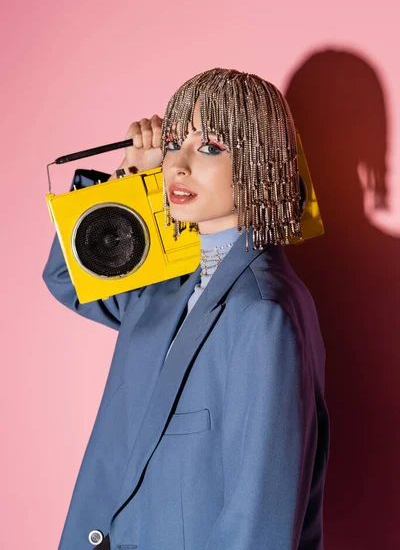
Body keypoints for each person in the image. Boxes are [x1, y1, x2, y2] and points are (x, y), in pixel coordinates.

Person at [43, 67, 330, 550]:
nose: (178, 165)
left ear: (262, 162)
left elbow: (258, 524)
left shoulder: (263, 317)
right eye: (175, 144)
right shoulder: (166, 289)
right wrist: (132, 176)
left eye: (210, 147)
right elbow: (67, 280)